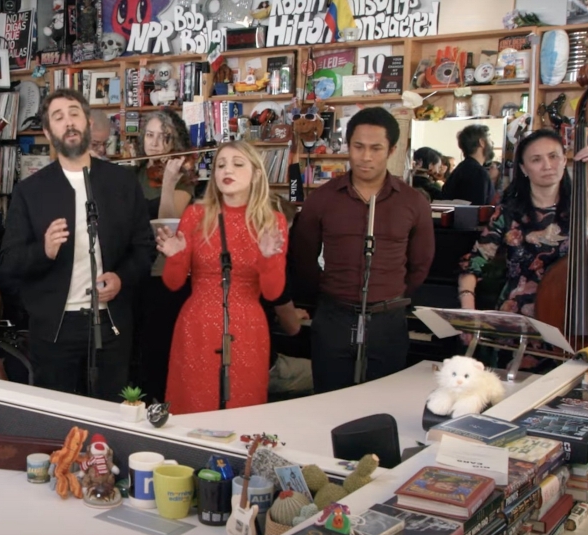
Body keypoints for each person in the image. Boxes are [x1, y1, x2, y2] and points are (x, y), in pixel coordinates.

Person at [0, 88, 155, 400]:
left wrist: (121, 278)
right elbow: (8, 264)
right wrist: (43, 251)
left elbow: (144, 248)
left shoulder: (121, 183)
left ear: (86, 122)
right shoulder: (30, 191)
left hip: (111, 323)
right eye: (58, 118)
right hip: (55, 329)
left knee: (114, 413)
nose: (68, 122)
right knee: (58, 417)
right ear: (47, 132)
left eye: (74, 114)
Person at [289, 107, 435, 393]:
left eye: (376, 148)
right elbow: (303, 258)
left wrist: (389, 295)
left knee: (381, 404)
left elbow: (420, 264)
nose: (366, 157)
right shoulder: (322, 199)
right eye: (358, 147)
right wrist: (330, 292)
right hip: (334, 318)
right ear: (348, 146)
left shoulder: (413, 202)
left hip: (388, 321)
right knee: (328, 401)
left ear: (392, 149)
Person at [458, 129, 588, 316]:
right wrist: (468, 312)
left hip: (572, 316)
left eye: (553, 156)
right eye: (536, 160)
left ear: (564, 160)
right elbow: (474, 264)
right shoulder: (509, 211)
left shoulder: (586, 205)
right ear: (524, 168)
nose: (547, 166)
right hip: (518, 318)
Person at [155, 142, 287, 414]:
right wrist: (176, 256)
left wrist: (267, 258)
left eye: (238, 164)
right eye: (221, 164)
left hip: (247, 328)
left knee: (242, 408)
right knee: (194, 407)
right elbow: (173, 283)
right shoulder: (195, 215)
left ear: (257, 174)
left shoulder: (271, 221)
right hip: (197, 326)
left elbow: (274, 294)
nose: (228, 170)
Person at [136, 110, 197, 401]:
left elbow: (167, 225)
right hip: (133, 271)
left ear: (176, 142)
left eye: (164, 136)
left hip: (164, 274)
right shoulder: (131, 173)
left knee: (157, 351)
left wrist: (170, 183)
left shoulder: (183, 177)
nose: (156, 143)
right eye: (150, 135)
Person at [441, 124, 494, 205]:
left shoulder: (460, 169)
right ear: (482, 142)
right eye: (489, 140)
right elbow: (476, 211)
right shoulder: (478, 173)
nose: (492, 143)